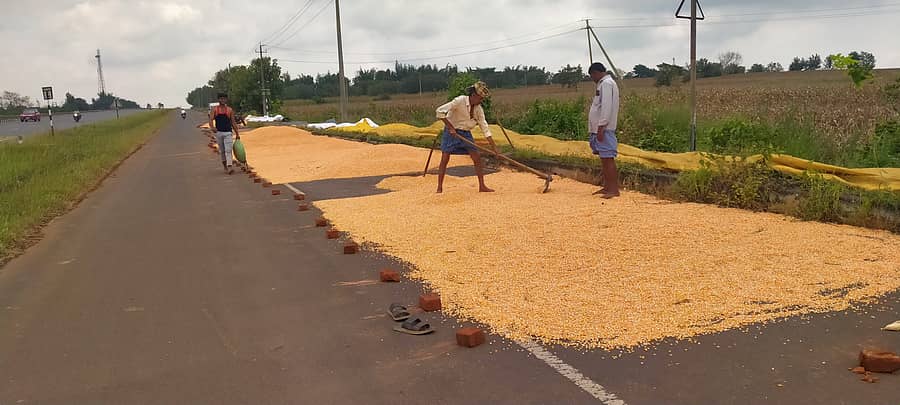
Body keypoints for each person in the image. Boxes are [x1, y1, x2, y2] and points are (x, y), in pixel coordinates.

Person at [434, 81, 498, 193]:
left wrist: (494, 148)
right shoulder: (459, 101)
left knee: (477, 157)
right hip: (451, 133)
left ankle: (482, 186)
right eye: (480, 98)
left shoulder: (478, 109)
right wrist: (450, 127)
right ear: (473, 96)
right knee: (445, 158)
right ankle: (439, 187)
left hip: (466, 133)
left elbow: (485, 127)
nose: (481, 101)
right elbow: (440, 112)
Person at [588, 62, 620, 198]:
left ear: (596, 72)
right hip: (599, 128)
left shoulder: (606, 84)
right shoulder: (603, 84)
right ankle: (607, 187)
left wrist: (601, 127)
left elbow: (606, 107)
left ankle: (613, 189)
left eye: (592, 75)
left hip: (604, 129)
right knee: (604, 158)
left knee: (608, 159)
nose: (592, 79)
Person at [209, 93, 240, 174]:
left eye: (224, 99)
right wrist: (212, 127)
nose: (223, 100)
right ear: (218, 100)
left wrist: (237, 134)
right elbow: (211, 120)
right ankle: (225, 166)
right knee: (222, 151)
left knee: (228, 150)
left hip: (228, 133)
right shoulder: (215, 110)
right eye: (221, 99)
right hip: (219, 133)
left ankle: (230, 166)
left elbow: (233, 122)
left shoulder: (229, 110)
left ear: (226, 100)